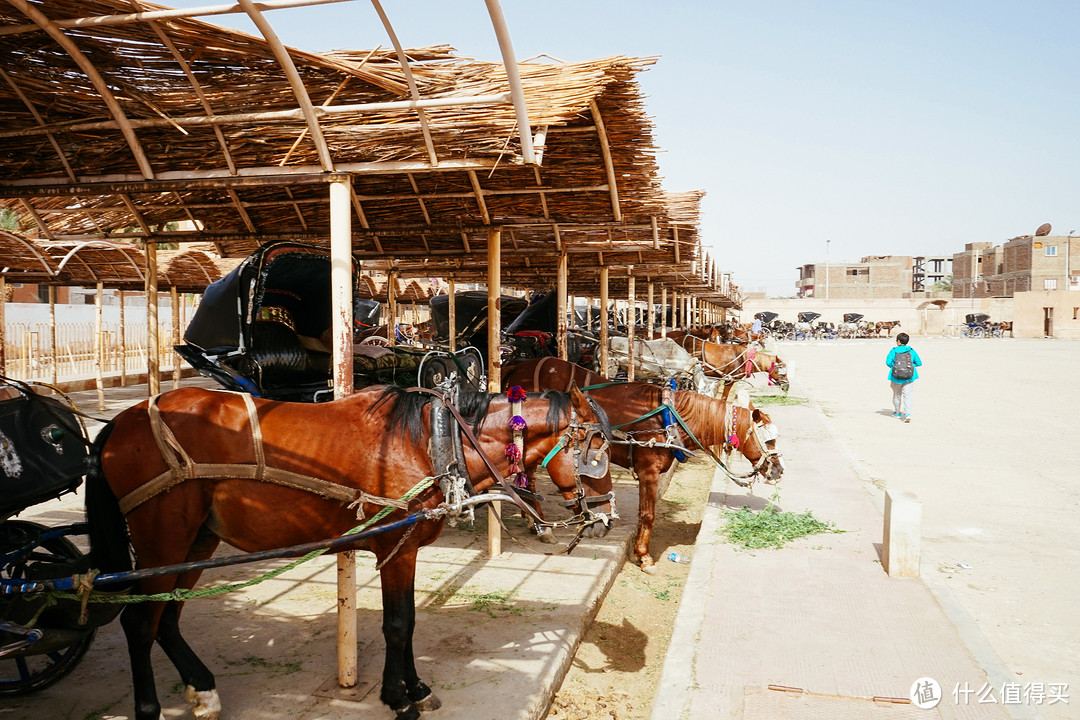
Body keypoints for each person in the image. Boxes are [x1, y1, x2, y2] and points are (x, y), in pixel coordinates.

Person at [886, 332, 922, 423]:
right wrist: (909, 366)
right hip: (909, 377)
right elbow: (919, 363)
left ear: (898, 341)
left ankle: (897, 413)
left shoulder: (893, 351)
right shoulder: (911, 351)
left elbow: (888, 362)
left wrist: (895, 367)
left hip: (895, 376)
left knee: (896, 395)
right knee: (908, 395)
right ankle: (907, 414)